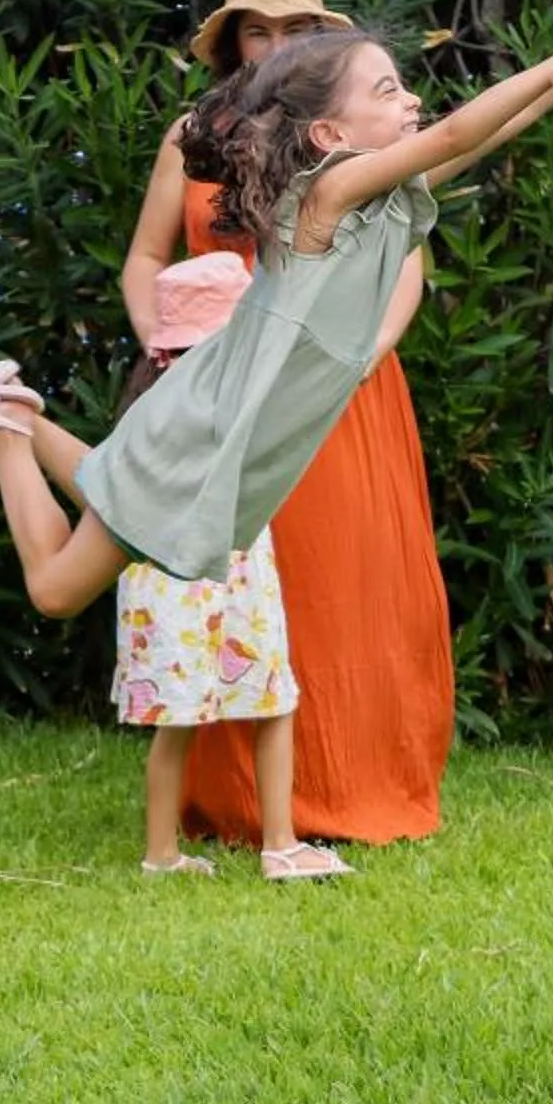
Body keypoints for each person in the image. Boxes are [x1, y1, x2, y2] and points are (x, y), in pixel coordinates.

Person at [0, 32, 553, 797]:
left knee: (107, 485)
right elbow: (460, 131)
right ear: (330, 136)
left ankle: (17, 414)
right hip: (198, 437)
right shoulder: (323, 199)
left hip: (199, 422)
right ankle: (2, 429)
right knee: (58, 591)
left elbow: (476, 139)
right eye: (389, 92)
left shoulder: (381, 203)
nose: (413, 103)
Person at [120, 0, 457, 847]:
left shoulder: (352, 133)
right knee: (230, 591)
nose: (272, 45)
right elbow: (147, 261)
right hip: (223, 389)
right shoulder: (196, 139)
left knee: (352, 593)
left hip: (336, 383)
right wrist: (169, 358)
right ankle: (234, 805)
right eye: (255, 30)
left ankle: (356, 791)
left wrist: (350, 361)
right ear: (231, 41)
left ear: (318, 41)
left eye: (293, 31)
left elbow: (404, 272)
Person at [116, 251, 342, 883]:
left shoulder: (197, 402)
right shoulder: (182, 413)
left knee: (272, 699)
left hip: (238, 571)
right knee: (182, 716)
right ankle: (167, 851)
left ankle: (278, 841)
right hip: (178, 583)